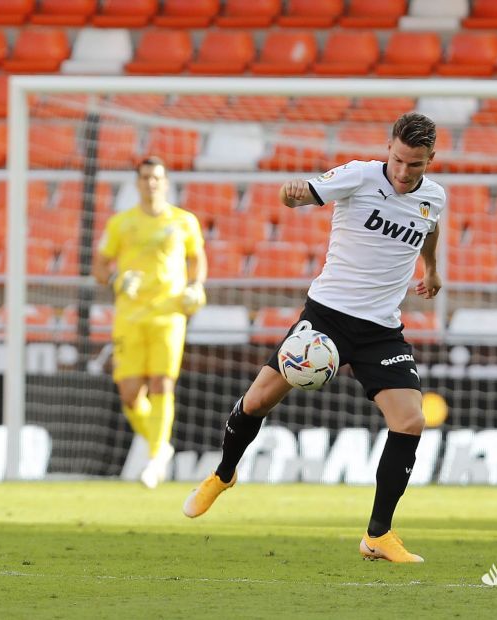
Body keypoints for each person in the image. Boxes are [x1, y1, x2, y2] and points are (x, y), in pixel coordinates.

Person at [182, 113, 445, 563]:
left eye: (415, 165)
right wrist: (292, 194)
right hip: (327, 318)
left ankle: (377, 535)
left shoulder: (433, 198)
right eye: (399, 160)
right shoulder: (358, 175)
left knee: (411, 421)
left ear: (430, 161)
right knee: (258, 400)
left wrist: (433, 269)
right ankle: (224, 474)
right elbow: (302, 195)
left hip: (381, 328)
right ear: (388, 147)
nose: (404, 173)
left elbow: (429, 227)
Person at [93, 156, 207, 489]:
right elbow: (99, 265)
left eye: (156, 177)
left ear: (166, 182)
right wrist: (115, 278)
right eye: (145, 177)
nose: (151, 183)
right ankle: (161, 445)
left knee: (162, 383)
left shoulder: (184, 221)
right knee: (130, 394)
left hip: (168, 313)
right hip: (129, 314)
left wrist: (195, 286)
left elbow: (197, 259)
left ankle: (155, 458)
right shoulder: (120, 223)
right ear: (137, 183)